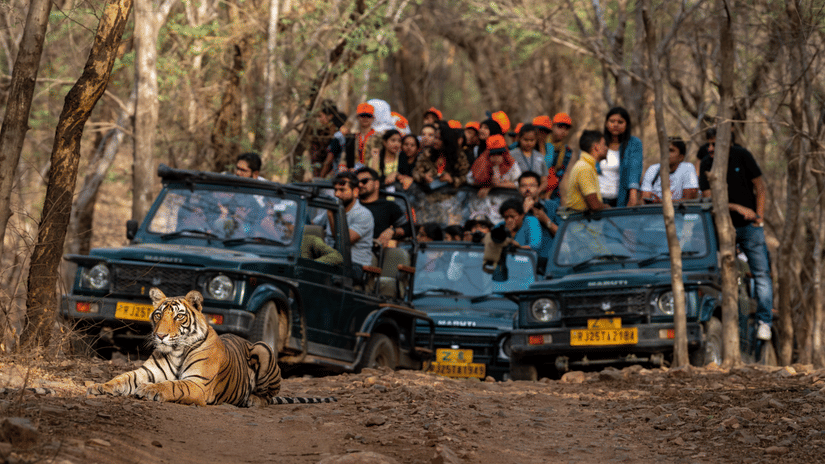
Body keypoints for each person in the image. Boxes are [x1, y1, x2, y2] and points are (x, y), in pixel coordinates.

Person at [698, 127, 773, 340]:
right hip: (721, 229)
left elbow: (760, 186)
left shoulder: (743, 156)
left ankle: (764, 321)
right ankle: (726, 324)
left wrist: (759, 217)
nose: (710, 148)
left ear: (727, 144)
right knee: (721, 276)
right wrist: (737, 207)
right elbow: (709, 198)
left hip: (750, 228)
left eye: (715, 144)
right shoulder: (706, 163)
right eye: (708, 144)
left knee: (761, 274)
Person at [599, 107, 643, 207]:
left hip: (621, 199)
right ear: (606, 123)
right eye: (612, 121)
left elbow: (634, 171)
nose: (615, 125)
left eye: (620, 122)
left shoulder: (634, 143)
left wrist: (633, 197)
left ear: (626, 125)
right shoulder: (597, 142)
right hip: (597, 200)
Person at [331, 172, 374, 273]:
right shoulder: (333, 208)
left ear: (355, 192)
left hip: (355, 265)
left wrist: (330, 215)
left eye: (342, 190)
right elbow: (313, 224)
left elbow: (343, 241)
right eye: (335, 190)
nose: (337, 194)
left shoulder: (364, 214)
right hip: (330, 260)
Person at [355, 167, 408, 247]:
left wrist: (392, 231)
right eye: (356, 182)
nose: (360, 185)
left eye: (364, 181)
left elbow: (408, 228)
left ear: (376, 184)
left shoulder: (388, 206)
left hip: (377, 252)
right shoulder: (352, 205)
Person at [412, 121, 470, 189]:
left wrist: (452, 180)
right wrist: (424, 176)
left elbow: (466, 177)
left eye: (439, 139)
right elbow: (415, 172)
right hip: (430, 192)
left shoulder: (459, 156)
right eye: (435, 138)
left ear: (446, 140)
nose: (435, 141)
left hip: (451, 193)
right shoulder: (427, 154)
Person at [641, 137, 699, 203]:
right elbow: (645, 199)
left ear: (681, 157)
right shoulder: (652, 169)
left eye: (671, 150)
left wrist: (663, 202)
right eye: (664, 149)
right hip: (655, 211)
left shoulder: (687, 168)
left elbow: (689, 200)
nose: (666, 153)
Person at [564, 130, 610, 212]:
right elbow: (594, 205)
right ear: (596, 147)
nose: (607, 148)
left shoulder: (587, 166)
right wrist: (607, 207)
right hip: (581, 223)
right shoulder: (585, 168)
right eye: (604, 144)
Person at [518, 171, 559, 263]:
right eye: (523, 186)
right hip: (523, 260)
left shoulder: (551, 206)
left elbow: (562, 235)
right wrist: (523, 212)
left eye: (532, 185)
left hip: (548, 261)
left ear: (539, 187)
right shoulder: (514, 209)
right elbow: (511, 235)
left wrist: (545, 219)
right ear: (519, 188)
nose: (528, 189)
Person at [470, 134, 521, 198]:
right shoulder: (482, 163)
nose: (496, 157)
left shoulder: (512, 164)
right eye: (493, 154)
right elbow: (470, 179)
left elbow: (519, 184)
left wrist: (496, 185)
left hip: (506, 199)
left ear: (504, 153)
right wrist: (486, 183)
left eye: (499, 154)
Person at [544, 113, 575, 200]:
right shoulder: (542, 143)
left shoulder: (566, 151)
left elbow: (559, 174)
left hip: (552, 191)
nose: (563, 131)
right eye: (560, 127)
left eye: (566, 128)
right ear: (552, 127)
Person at [338, 102, 376, 172]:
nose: (365, 118)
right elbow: (344, 156)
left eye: (368, 116)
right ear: (357, 118)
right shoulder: (352, 137)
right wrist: (342, 166)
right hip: (353, 172)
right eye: (362, 116)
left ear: (373, 118)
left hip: (371, 172)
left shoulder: (378, 137)